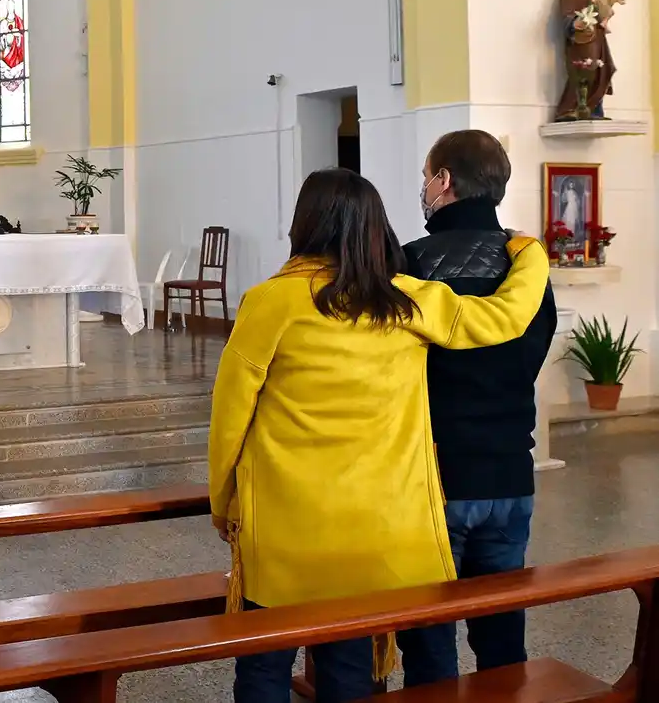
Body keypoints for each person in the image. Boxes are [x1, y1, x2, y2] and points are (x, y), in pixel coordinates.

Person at [210, 168, 549, 703]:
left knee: (263, 665)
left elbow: (230, 417)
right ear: (375, 228)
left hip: (284, 526)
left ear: (304, 224)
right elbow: (506, 317)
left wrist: (224, 501)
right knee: (349, 667)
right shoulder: (406, 302)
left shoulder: (269, 303)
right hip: (374, 528)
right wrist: (530, 253)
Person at [396, 131, 558, 687]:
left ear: (443, 181)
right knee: (502, 629)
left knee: (427, 630)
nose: (423, 186)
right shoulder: (527, 265)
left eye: (426, 175)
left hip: (436, 474)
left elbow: (397, 364)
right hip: (512, 468)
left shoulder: (410, 263)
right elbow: (532, 351)